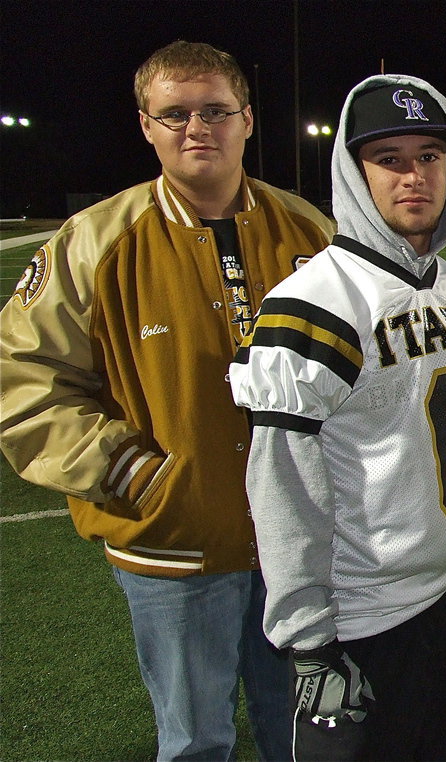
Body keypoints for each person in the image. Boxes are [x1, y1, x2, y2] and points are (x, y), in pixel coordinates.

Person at [0, 41, 333, 761]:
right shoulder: (92, 242)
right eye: (175, 114)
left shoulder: (311, 232)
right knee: (194, 742)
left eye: (215, 110)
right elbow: (25, 384)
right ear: (146, 125)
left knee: (304, 736)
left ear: (247, 119)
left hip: (296, 545)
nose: (196, 128)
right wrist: (131, 470)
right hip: (172, 545)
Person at [228, 74, 446, 761]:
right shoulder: (314, 302)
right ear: (354, 174)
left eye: (429, 156)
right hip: (360, 622)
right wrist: (306, 636)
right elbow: (282, 484)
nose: (413, 176)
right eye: (389, 158)